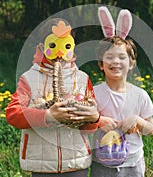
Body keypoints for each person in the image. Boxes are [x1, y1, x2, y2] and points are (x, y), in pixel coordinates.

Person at [6, 19, 100, 177]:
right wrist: (48, 116)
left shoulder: (83, 79)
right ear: (42, 47)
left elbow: (89, 128)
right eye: (53, 45)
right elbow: (13, 114)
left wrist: (93, 118)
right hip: (42, 165)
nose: (59, 53)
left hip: (76, 162)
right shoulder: (29, 79)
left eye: (66, 45)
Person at [89, 7, 153, 177]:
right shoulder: (94, 93)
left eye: (122, 57)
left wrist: (138, 120)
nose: (115, 62)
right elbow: (84, 124)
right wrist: (99, 121)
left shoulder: (140, 95)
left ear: (132, 63)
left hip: (133, 163)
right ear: (101, 64)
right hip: (102, 163)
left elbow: (150, 129)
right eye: (109, 57)